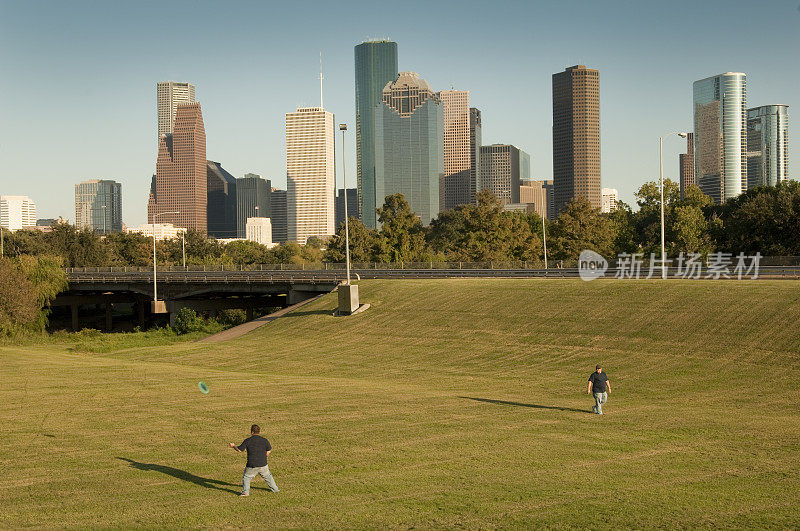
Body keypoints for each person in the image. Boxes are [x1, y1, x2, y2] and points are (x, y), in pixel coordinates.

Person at [229, 424, 279, 496]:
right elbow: (269, 450)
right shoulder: (264, 440)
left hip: (252, 464)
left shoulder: (248, 440)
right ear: (259, 431)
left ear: (252, 432)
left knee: (246, 477)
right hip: (263, 463)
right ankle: (275, 490)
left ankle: (245, 492)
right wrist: (263, 457)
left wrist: (233, 446)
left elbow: (239, 450)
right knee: (268, 476)